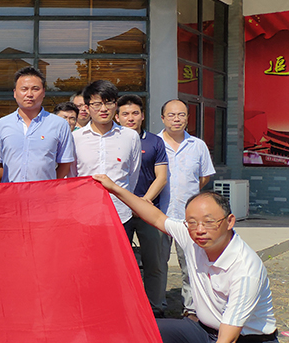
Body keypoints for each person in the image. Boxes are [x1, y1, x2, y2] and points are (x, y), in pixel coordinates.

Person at [93, 176, 280, 343]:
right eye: (192, 222)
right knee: (153, 331)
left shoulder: (245, 269)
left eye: (209, 222)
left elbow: (227, 341)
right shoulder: (192, 237)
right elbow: (156, 217)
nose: (199, 230)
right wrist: (113, 187)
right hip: (207, 334)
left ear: (229, 221)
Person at [159, 99, 216, 318]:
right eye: (171, 115)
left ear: (187, 118)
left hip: (189, 218)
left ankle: (191, 308)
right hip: (159, 215)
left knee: (191, 264)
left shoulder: (198, 145)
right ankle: (157, 305)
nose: (177, 119)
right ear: (163, 118)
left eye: (181, 115)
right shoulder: (155, 143)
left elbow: (203, 177)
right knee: (157, 265)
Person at [116, 94, 169, 316]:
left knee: (154, 263)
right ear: (117, 117)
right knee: (119, 265)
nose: (130, 118)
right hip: (119, 212)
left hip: (148, 211)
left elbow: (161, 177)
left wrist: (142, 202)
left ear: (143, 116)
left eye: (135, 113)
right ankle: (124, 308)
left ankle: (156, 308)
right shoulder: (112, 141)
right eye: (125, 114)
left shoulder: (155, 142)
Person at [73, 80, 141, 225]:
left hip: (121, 214)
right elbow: (72, 175)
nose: (103, 109)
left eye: (108, 103)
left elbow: (132, 175)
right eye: (97, 104)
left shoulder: (130, 136)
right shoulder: (75, 138)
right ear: (87, 108)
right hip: (85, 214)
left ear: (115, 105)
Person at [0, 66, 75, 182]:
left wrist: (48, 184)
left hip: (44, 192)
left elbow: (65, 163)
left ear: (43, 92)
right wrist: (7, 184)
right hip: (11, 190)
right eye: (24, 89)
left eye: (35, 89)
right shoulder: (2, 124)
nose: (29, 94)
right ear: (15, 93)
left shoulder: (59, 124)